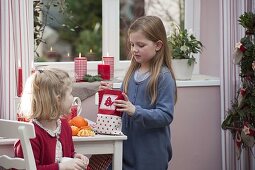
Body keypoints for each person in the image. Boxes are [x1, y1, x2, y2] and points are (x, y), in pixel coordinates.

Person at [100, 15, 177, 170]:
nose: (134, 49)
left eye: (140, 45)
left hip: (150, 157)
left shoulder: (164, 77)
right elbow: (124, 105)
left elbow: (166, 115)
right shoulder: (132, 72)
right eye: (132, 44)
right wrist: (111, 94)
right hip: (126, 152)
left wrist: (135, 111)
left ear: (158, 45)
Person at [14, 68, 90, 170]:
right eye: (70, 93)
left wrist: (75, 157)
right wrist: (61, 167)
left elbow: (68, 154)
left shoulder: (64, 126)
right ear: (58, 99)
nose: (72, 98)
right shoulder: (31, 133)